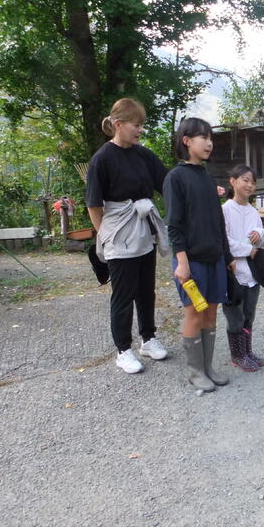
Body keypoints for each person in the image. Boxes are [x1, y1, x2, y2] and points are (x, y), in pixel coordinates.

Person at [86, 98, 170, 374]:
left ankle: (148, 339)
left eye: (142, 124)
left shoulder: (143, 155)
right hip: (118, 232)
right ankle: (123, 350)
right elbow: (93, 204)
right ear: (118, 124)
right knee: (123, 295)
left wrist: (198, 187)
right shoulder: (102, 159)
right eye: (136, 124)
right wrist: (106, 237)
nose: (140, 130)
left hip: (143, 231)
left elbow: (167, 183)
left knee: (146, 290)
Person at [164, 117, 235, 393]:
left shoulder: (207, 177)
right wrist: (181, 262)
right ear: (187, 141)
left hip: (214, 258)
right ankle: (195, 372)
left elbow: (218, 222)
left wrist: (227, 256)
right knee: (194, 313)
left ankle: (207, 367)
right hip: (191, 262)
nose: (209, 143)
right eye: (203, 137)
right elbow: (174, 225)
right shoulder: (175, 178)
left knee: (212, 313)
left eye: (210, 138)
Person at [222, 165, 264, 372]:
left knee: (249, 314)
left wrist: (260, 234)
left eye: (253, 182)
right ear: (233, 181)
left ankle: (247, 351)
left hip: (252, 273)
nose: (250, 185)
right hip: (233, 273)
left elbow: (260, 233)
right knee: (235, 316)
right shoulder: (225, 210)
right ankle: (237, 355)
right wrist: (248, 249)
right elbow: (224, 242)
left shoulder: (253, 211)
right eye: (245, 180)